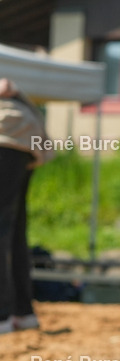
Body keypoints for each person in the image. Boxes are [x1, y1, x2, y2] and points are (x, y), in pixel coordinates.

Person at [0, 78, 50, 334]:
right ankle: (22, 311)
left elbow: (4, 85)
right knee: (15, 227)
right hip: (25, 137)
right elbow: (8, 85)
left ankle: (3, 315)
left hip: (6, 135)